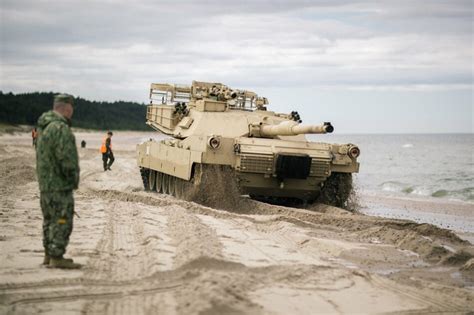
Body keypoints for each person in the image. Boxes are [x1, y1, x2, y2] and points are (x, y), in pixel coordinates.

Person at [36, 94, 81, 269]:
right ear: (68, 108)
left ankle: (48, 254)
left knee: (49, 219)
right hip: (59, 185)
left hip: (46, 183)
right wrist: (72, 179)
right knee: (62, 219)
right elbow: (66, 159)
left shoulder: (44, 127)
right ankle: (56, 257)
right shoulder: (60, 128)